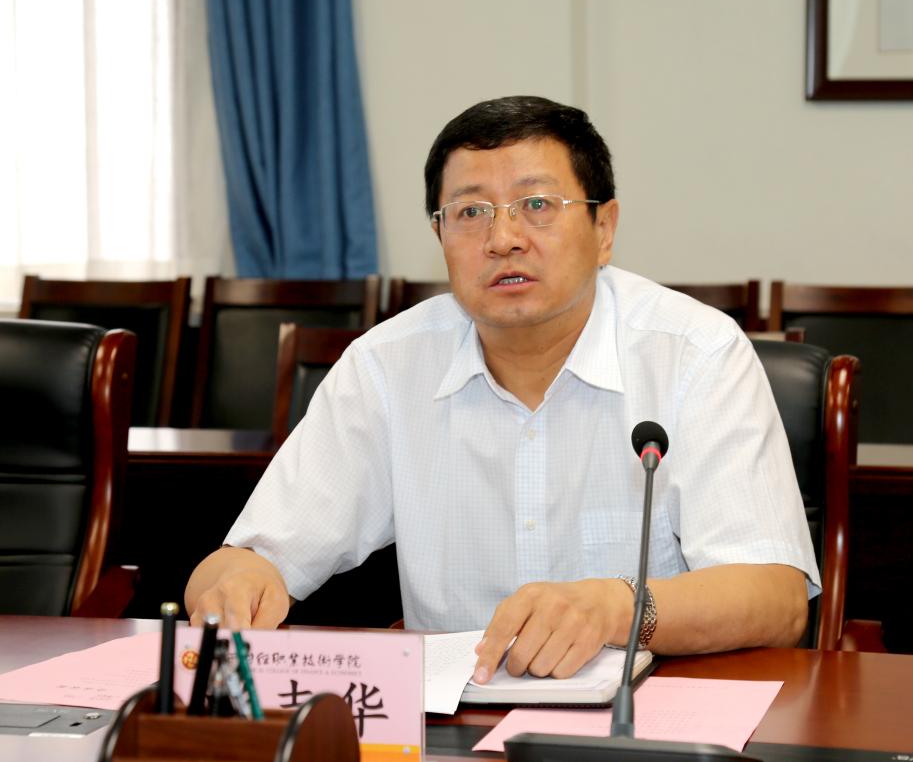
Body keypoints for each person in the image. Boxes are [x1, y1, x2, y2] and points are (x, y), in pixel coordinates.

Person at [186, 95, 820, 684]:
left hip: (652, 713)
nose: (503, 239)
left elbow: (777, 599)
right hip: (450, 721)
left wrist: (615, 607)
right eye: (470, 212)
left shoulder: (696, 354)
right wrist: (234, 583)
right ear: (440, 236)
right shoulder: (386, 367)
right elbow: (249, 557)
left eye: (537, 205)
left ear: (604, 229)